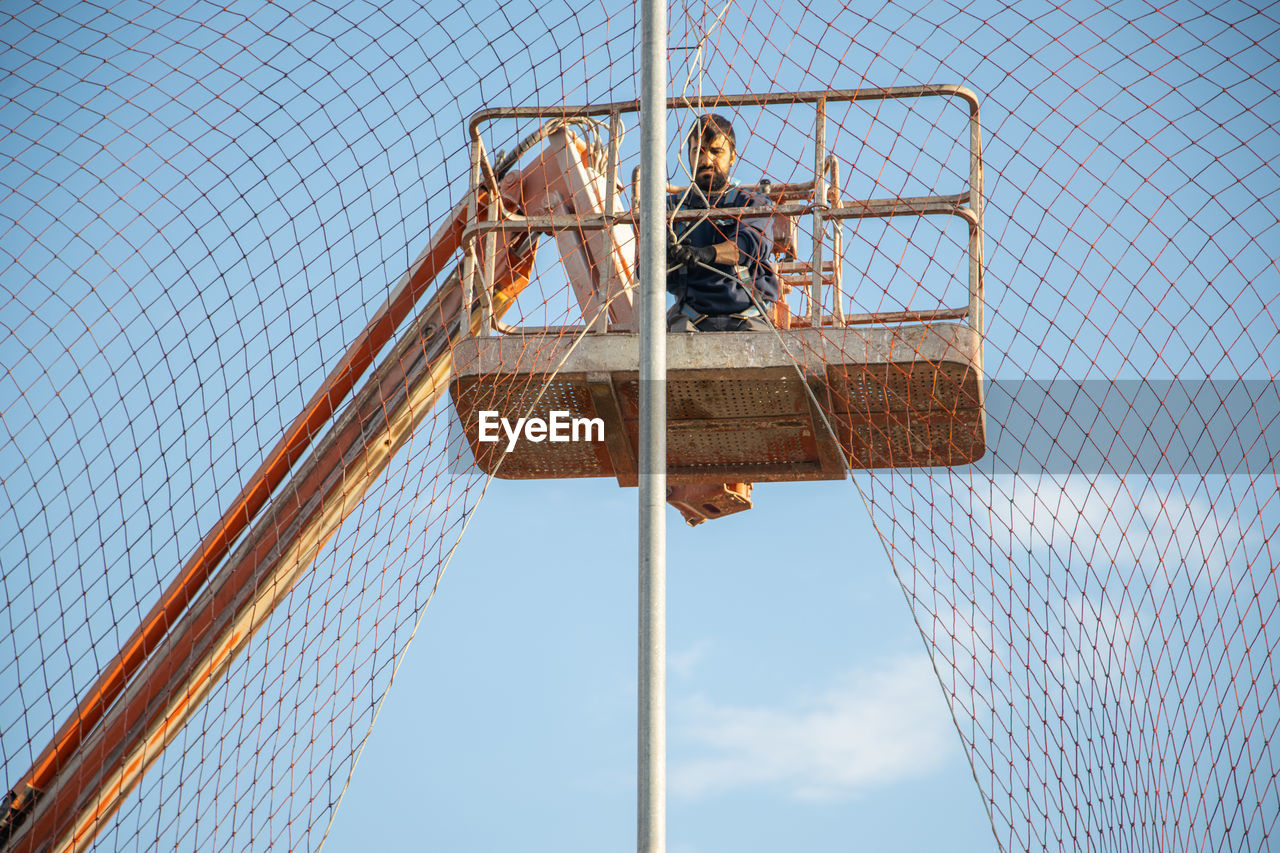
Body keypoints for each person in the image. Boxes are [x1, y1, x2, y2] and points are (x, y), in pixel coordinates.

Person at [665, 113, 780, 331]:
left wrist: (705, 253)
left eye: (716, 151)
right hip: (691, 321)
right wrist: (667, 257)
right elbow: (645, 270)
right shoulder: (671, 209)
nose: (706, 161)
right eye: (698, 152)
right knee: (662, 356)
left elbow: (749, 246)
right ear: (687, 156)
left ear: (733, 156)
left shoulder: (752, 203)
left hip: (748, 319)